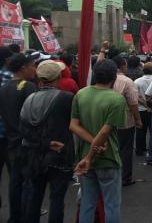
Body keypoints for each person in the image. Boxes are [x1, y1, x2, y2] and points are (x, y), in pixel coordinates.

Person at [69, 59, 127, 223]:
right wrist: (96, 146)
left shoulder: (81, 94)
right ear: (114, 77)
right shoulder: (117, 99)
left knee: (87, 203)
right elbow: (105, 131)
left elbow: (73, 126)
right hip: (108, 158)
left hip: (84, 157)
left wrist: (89, 152)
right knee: (112, 205)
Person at [20, 60, 74, 223]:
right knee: (56, 199)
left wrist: (45, 143)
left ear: (39, 78)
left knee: (35, 197)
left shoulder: (29, 99)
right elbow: (76, 125)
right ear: (58, 77)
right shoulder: (66, 98)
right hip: (60, 155)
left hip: (34, 155)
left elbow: (23, 130)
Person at [0, 53, 37, 223]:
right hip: (27, 142)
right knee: (28, 182)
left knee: (15, 182)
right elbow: (34, 117)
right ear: (23, 68)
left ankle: (15, 217)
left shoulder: (4, 88)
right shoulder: (27, 87)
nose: (34, 69)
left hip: (11, 142)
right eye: (32, 66)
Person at [111, 55, 143, 186]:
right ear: (122, 66)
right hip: (125, 121)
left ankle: (112, 175)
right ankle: (125, 177)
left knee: (112, 148)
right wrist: (138, 119)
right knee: (126, 149)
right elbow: (133, 103)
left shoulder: (104, 80)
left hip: (107, 120)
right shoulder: (127, 81)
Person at [134, 63, 152, 157]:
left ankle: (139, 149)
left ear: (143, 70)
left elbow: (135, 96)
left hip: (141, 110)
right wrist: (150, 106)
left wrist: (145, 105)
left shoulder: (137, 81)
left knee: (140, 131)